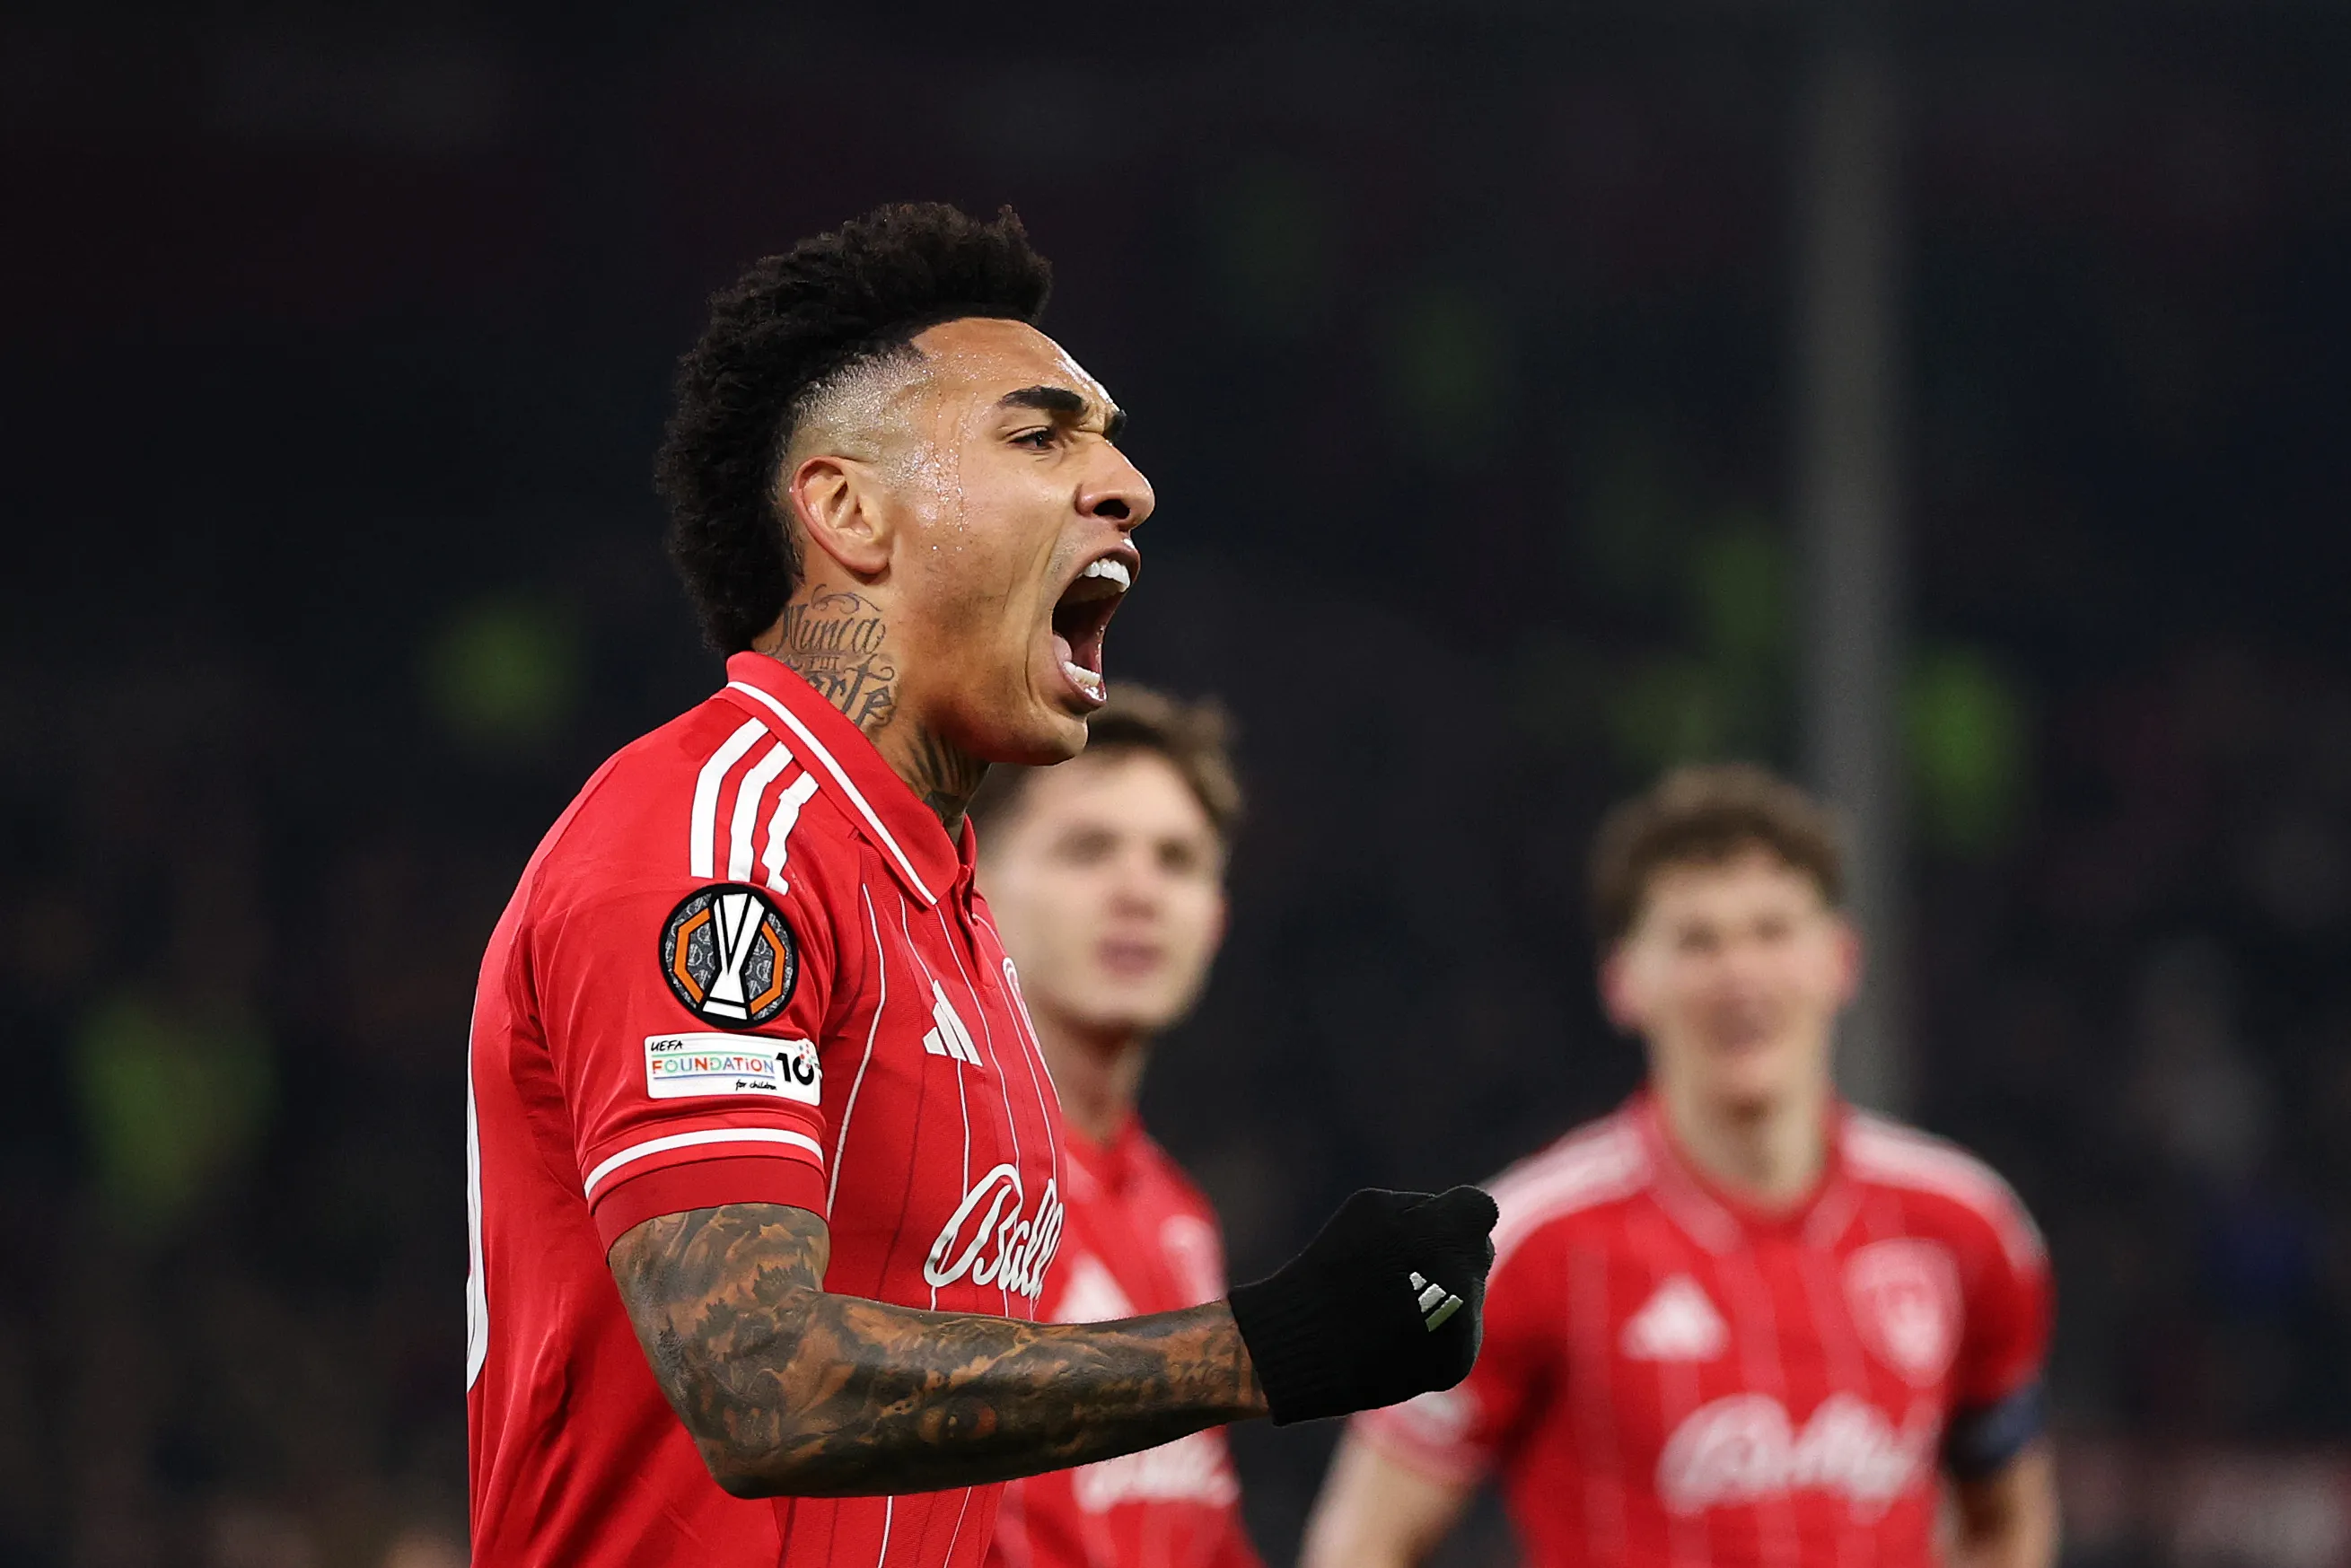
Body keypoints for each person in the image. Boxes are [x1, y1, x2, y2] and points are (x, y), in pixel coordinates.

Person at [462, 203, 1498, 1568]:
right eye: (1040, 436)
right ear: (848, 511)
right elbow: (758, 1380)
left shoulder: (949, 916)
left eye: (1109, 438)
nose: (1127, 486)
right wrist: (1261, 1347)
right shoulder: (719, 833)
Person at [1301, 764, 2057, 1568]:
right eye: (1697, 941)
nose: (1740, 975)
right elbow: (1358, 1543)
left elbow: (2006, 1521)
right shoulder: (1515, 1247)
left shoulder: (1965, 1225)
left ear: (1841, 959)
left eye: (1772, 931)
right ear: (1622, 981)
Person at [968, 688, 1263, 1568]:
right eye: (1087, 849)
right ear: (972, 884)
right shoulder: (911, 1173)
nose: (1138, 892)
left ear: (1215, 918)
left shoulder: (1180, 1216)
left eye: (1176, 860)